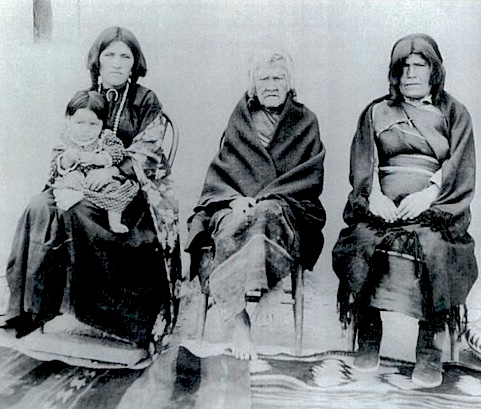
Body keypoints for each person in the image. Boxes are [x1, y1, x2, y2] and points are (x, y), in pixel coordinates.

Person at [3, 27, 181, 352]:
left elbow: (150, 150)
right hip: (77, 181)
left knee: (77, 211)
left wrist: (113, 169)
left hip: (127, 191)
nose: (116, 63)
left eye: (125, 56)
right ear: (97, 61)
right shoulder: (84, 97)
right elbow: (64, 142)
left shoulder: (146, 100)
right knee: (38, 207)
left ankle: (109, 317)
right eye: (109, 55)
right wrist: (68, 165)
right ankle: (31, 307)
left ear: (135, 63)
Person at [332, 34, 477, 388]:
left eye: (419, 65)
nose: (411, 73)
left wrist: (429, 196)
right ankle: (368, 335)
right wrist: (374, 197)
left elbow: (460, 165)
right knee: (358, 244)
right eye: (404, 66)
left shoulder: (454, 113)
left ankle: (429, 348)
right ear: (394, 74)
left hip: (432, 211)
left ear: (434, 70)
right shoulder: (376, 111)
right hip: (382, 212)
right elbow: (363, 162)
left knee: (438, 250)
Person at [186, 50, 326, 360]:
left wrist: (267, 197)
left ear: (289, 83)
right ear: (253, 84)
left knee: (266, 213)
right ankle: (241, 322)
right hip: (237, 202)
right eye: (264, 79)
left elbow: (310, 175)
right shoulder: (241, 119)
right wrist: (233, 199)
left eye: (278, 78)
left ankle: (269, 284)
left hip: (287, 205)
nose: (271, 85)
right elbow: (223, 169)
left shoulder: (306, 121)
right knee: (231, 223)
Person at [51, 90, 138, 234]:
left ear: (102, 124)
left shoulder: (104, 138)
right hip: (77, 180)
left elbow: (118, 153)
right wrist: (68, 160)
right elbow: (56, 164)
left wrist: (100, 158)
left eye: (93, 124)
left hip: (101, 180)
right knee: (66, 186)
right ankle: (70, 202)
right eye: (80, 123)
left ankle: (114, 221)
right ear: (68, 119)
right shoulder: (65, 139)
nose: (85, 129)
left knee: (115, 189)